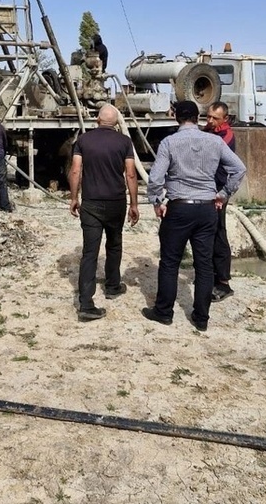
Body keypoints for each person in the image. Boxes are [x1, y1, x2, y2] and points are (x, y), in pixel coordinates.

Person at [144, 100, 246, 332]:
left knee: (170, 262)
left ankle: (164, 312)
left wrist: (157, 202)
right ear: (199, 118)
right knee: (204, 264)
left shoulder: (169, 142)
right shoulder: (215, 141)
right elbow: (239, 169)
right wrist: (223, 194)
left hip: (179, 207)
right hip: (207, 208)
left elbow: (156, 178)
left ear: (176, 117)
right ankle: (201, 318)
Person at [69, 104, 139, 322]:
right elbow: (130, 174)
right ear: (116, 123)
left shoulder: (83, 141)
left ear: (97, 120)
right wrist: (134, 204)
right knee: (114, 244)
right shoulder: (124, 142)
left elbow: (75, 170)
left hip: (91, 203)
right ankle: (112, 285)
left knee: (90, 252)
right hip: (115, 202)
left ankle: (86, 304)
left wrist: (73, 198)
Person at [206, 101, 236, 302]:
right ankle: (210, 275)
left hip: (218, 192)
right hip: (206, 191)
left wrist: (222, 194)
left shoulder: (226, 137)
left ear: (224, 119)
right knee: (206, 233)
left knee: (218, 233)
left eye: (214, 118)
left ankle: (224, 282)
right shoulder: (209, 131)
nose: (209, 121)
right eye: (208, 116)